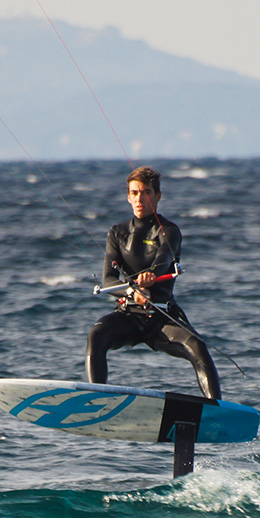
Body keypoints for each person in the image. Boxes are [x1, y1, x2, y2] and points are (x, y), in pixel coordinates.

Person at [86, 166, 221, 399]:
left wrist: (151, 275)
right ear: (128, 196)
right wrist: (131, 292)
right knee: (96, 335)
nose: (140, 199)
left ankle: (216, 410)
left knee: (198, 347)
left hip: (161, 317)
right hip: (129, 315)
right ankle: (97, 401)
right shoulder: (117, 233)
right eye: (135, 193)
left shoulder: (169, 231)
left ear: (158, 196)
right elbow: (108, 280)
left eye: (146, 192)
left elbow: (164, 259)